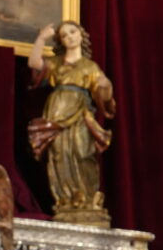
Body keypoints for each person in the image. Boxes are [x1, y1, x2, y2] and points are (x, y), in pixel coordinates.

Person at [27, 21, 115, 226]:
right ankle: (66, 200)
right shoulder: (56, 63)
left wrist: (105, 86)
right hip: (57, 112)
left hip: (80, 114)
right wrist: (41, 39)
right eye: (64, 36)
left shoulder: (90, 67)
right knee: (60, 154)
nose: (70, 37)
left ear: (81, 35)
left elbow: (104, 96)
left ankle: (87, 199)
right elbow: (34, 63)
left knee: (83, 153)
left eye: (73, 32)